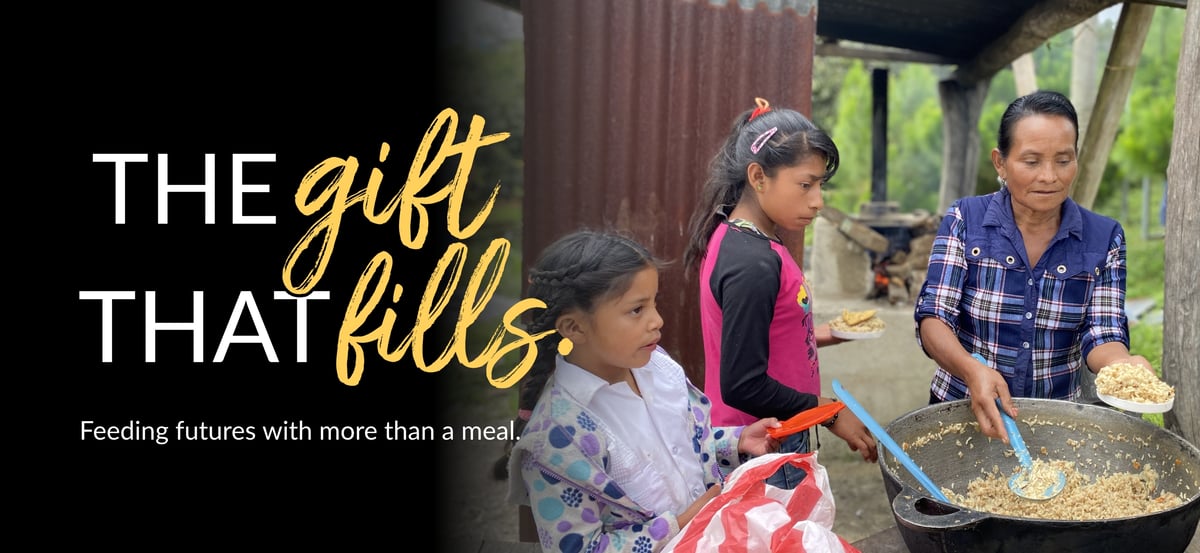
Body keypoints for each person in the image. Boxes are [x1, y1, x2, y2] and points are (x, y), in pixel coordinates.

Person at [506, 229, 782, 553]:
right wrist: (682, 524)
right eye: (637, 310)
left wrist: (735, 442)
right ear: (575, 327)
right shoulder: (557, 438)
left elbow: (679, 448)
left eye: (654, 303)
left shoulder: (657, 367)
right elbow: (581, 548)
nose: (657, 320)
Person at [913, 90, 1155, 443]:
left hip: (1055, 424)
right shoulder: (966, 219)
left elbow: (1103, 332)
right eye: (1031, 161)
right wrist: (972, 371)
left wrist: (1123, 368)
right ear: (1000, 162)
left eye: (1063, 160)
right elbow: (934, 317)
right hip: (961, 411)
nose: (1049, 176)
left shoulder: (1105, 238)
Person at [682, 98, 878, 491]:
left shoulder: (741, 237)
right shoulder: (752, 263)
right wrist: (828, 412)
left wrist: (827, 334)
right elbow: (743, 383)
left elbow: (760, 335)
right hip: (765, 443)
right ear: (758, 177)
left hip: (776, 432)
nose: (818, 201)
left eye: (820, 185)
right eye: (806, 185)